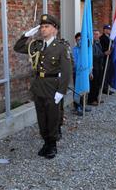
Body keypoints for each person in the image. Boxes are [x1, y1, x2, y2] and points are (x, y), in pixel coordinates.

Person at [14, 14, 72, 159]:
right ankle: (46, 141)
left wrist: (61, 91)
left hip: (52, 87)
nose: (43, 30)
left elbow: (66, 71)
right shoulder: (36, 45)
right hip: (38, 86)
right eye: (41, 27)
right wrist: (27, 34)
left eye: (47, 27)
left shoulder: (61, 47)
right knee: (41, 116)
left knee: (52, 117)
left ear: (55, 29)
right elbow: (18, 47)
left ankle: (52, 145)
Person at [72, 32, 92, 114]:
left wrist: (90, 72)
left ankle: (83, 105)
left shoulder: (86, 51)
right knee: (77, 89)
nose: (79, 41)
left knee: (84, 88)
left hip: (84, 72)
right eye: (78, 40)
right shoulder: (74, 50)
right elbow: (74, 62)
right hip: (77, 72)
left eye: (81, 39)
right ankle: (77, 107)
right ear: (76, 41)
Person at [87, 30, 104, 106]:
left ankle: (96, 98)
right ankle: (91, 100)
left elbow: (100, 53)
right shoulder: (91, 44)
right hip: (94, 66)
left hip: (99, 66)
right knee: (93, 84)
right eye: (95, 34)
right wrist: (103, 54)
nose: (96, 36)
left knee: (98, 83)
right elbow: (93, 55)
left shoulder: (98, 43)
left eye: (97, 34)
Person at [100, 24, 114, 95]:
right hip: (105, 58)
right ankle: (104, 88)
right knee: (104, 74)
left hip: (109, 57)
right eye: (107, 29)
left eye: (109, 29)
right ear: (104, 30)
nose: (109, 30)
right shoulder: (102, 38)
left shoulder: (109, 37)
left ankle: (107, 87)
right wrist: (105, 52)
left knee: (108, 73)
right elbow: (101, 48)